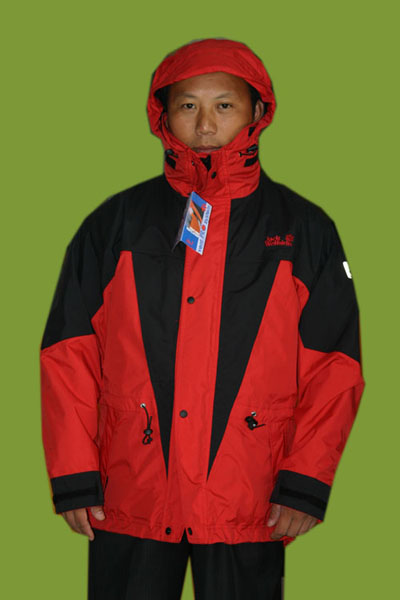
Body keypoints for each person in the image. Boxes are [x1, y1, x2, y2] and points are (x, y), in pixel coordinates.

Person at [40, 38, 365, 599]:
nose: (206, 125)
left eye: (225, 105)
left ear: (257, 111)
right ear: (162, 115)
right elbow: (69, 352)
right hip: (132, 489)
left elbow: (334, 364)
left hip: (250, 492)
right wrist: (73, 473)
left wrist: (306, 480)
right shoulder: (115, 224)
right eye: (188, 105)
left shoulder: (304, 228)